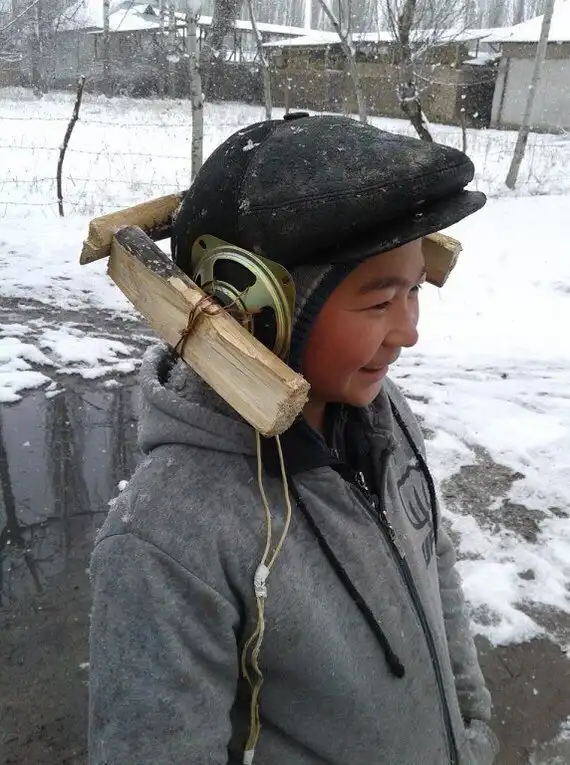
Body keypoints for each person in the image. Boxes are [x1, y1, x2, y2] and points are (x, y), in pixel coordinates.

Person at [88, 114, 499, 765]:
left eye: (415, 290)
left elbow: (433, 558)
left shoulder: (381, 413)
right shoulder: (169, 535)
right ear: (259, 312)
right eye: (379, 302)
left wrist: (470, 726)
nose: (409, 332)